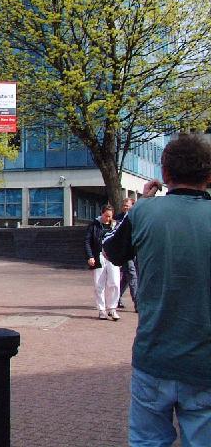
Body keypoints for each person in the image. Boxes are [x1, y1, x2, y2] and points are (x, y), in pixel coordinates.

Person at [103, 133, 211, 446]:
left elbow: (111, 250)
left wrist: (141, 205)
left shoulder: (143, 213)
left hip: (154, 357)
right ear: (208, 175)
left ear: (164, 175)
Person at [84, 204, 120, 320]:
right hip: (99, 256)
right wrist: (90, 256)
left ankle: (112, 308)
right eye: (106, 216)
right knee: (99, 284)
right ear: (102, 213)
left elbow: (121, 241)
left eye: (110, 216)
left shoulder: (116, 225)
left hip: (112, 256)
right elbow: (87, 241)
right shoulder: (94, 225)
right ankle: (101, 310)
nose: (108, 219)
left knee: (114, 282)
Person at [114, 197, 138, 310]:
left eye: (127, 205)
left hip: (135, 251)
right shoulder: (117, 219)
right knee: (132, 274)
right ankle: (137, 303)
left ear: (132, 206)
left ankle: (116, 297)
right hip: (125, 252)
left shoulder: (136, 218)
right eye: (124, 205)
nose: (125, 207)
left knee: (126, 278)